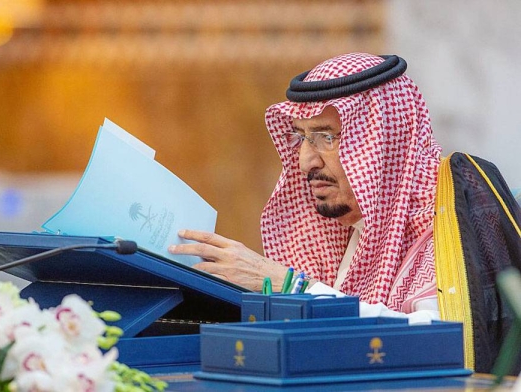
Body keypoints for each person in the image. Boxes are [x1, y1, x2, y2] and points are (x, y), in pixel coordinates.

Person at [168, 53, 521, 374]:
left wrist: (289, 286)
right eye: (303, 137)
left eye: (328, 137)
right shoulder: (349, 231)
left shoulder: (444, 220)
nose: (307, 161)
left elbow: (446, 344)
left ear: (382, 141)